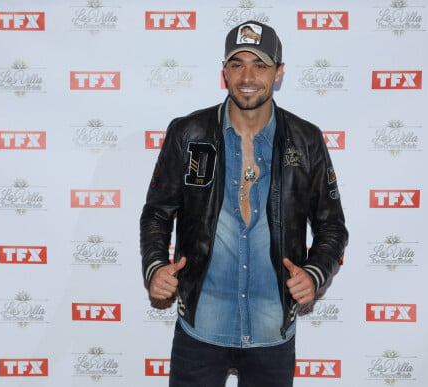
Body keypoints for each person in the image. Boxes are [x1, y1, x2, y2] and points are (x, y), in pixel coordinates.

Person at [140, 20, 348, 387]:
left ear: (278, 72)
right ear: (224, 72)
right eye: (237, 64)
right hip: (201, 326)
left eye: (260, 65)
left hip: (272, 329)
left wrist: (314, 274)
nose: (247, 76)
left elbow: (332, 225)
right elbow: (158, 211)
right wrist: (156, 266)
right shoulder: (188, 133)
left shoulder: (306, 139)